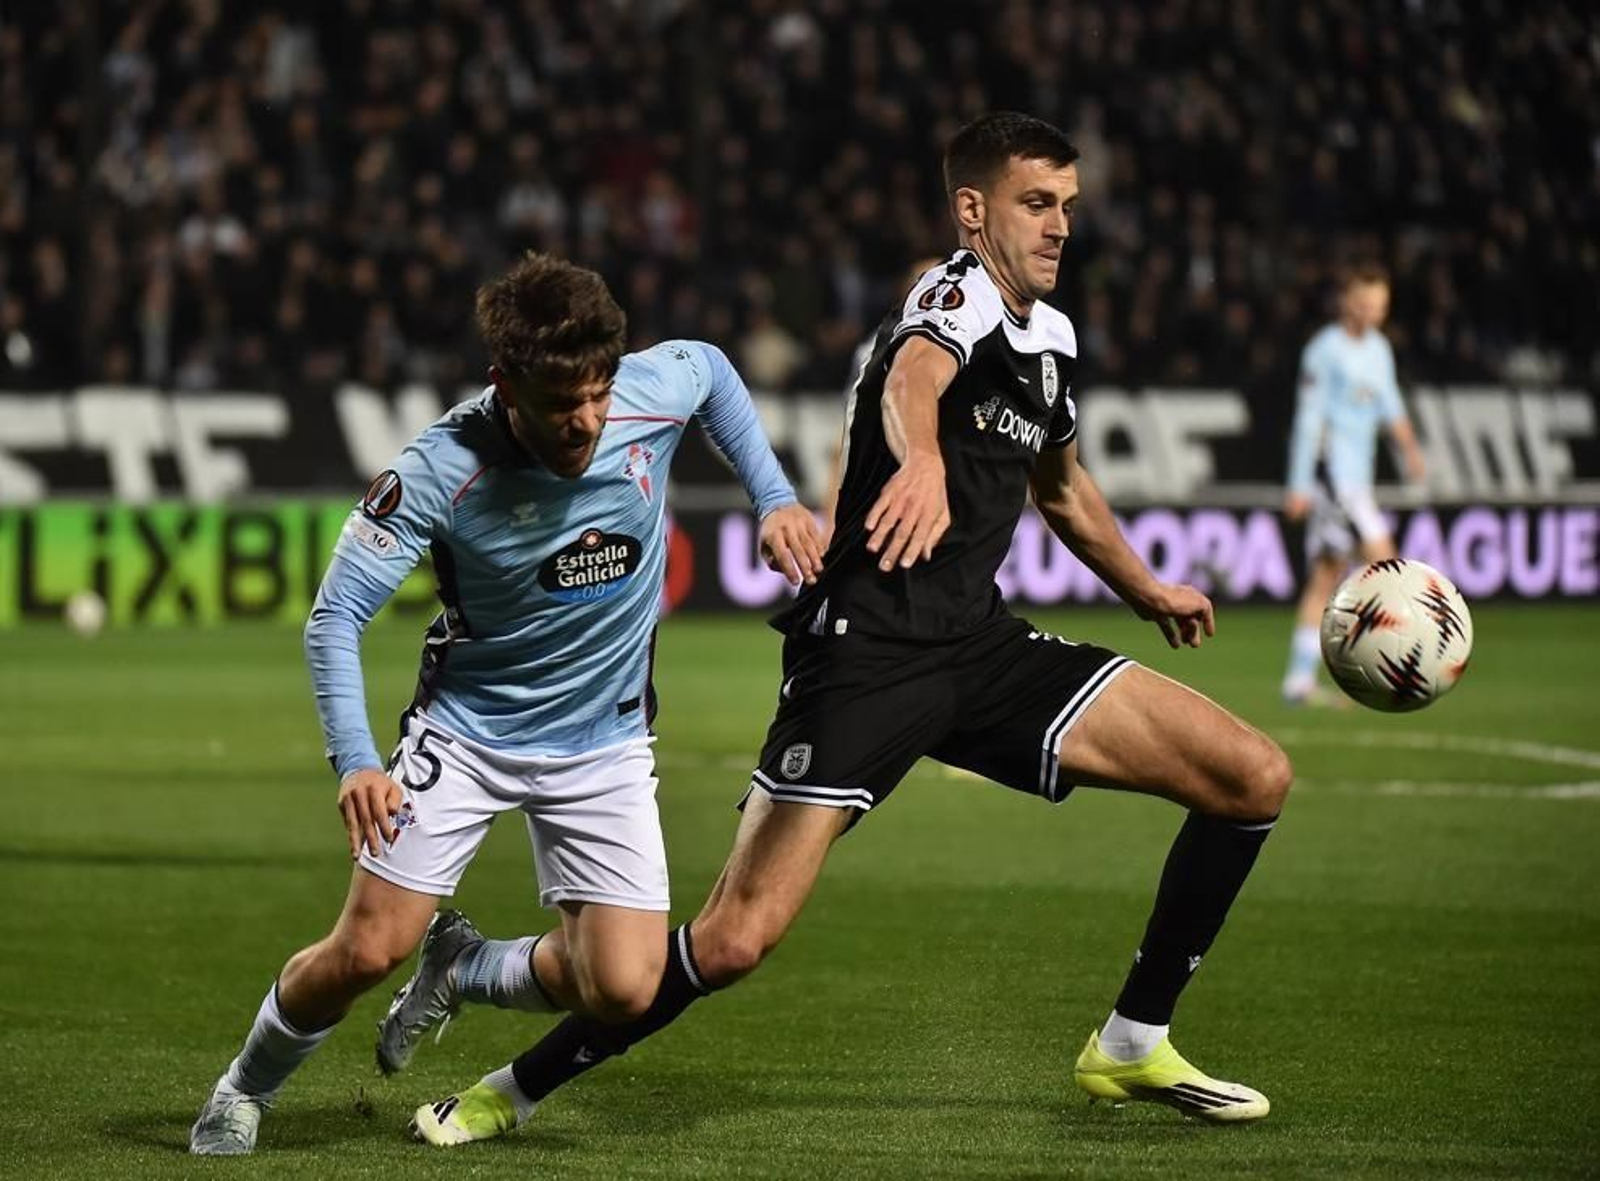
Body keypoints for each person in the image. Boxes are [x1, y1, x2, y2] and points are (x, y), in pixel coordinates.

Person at [393, 112, 1293, 1147]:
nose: (1058, 226)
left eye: (1069, 207)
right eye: (1036, 204)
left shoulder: (1050, 340)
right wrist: (916, 457)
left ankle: (1131, 1040)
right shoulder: (949, 293)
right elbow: (915, 373)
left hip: (980, 647)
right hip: (864, 652)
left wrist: (1148, 586)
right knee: (731, 940)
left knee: (1249, 775)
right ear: (973, 210)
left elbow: (1062, 487)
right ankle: (512, 1085)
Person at [188, 252, 824, 1155]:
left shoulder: (648, 389)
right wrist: (357, 759)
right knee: (368, 950)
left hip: (604, 741)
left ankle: (469, 966)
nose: (590, 421)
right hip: (471, 731)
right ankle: (243, 1087)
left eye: (600, 393)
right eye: (564, 402)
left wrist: (773, 497)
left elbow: (714, 370)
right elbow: (335, 618)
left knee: (624, 986)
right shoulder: (441, 467)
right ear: (505, 383)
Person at [1281, 264, 1426, 705]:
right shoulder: (1324, 351)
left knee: (1325, 578)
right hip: (1335, 480)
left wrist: (1411, 450)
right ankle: (1396, 666)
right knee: (1388, 569)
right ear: (1346, 301)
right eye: (1364, 304)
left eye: (1380, 307)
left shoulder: (1379, 349)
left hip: (1357, 479)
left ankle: (1299, 679)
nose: (1372, 314)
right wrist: (1299, 483)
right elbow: (1308, 420)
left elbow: (1391, 406)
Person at [820, 256, 944, 540]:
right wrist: (831, 521)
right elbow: (846, 442)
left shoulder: (979, 345)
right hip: (887, 497)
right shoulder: (875, 351)